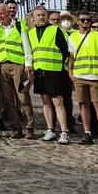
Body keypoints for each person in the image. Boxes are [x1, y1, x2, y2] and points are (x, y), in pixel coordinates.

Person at [28, 7, 71, 144]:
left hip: (53, 71)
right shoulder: (31, 33)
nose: (41, 17)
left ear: (46, 17)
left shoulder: (55, 30)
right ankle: (50, 129)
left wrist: (58, 65)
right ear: (34, 17)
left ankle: (64, 132)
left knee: (57, 102)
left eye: (43, 15)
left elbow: (65, 50)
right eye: (38, 15)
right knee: (45, 102)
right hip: (39, 71)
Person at [67, 13, 98, 146]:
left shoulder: (97, 36)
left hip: (95, 76)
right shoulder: (73, 37)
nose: (85, 22)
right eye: (82, 20)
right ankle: (87, 133)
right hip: (79, 76)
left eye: (88, 20)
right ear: (78, 22)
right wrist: (71, 73)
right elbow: (71, 57)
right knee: (83, 105)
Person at [0, 3, 34, 139]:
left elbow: (26, 45)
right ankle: (16, 128)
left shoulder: (19, 26)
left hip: (18, 65)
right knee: (8, 100)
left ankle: (29, 127)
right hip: (2, 66)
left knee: (23, 97)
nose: (0, 16)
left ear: (8, 13)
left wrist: (28, 64)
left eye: (2, 13)